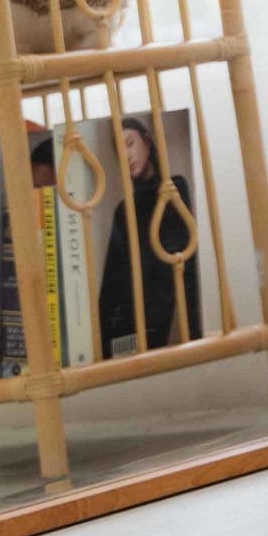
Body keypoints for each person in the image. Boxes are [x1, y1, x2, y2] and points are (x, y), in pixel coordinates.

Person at [96, 115, 201, 357]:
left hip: (166, 322)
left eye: (130, 144)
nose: (127, 156)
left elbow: (189, 268)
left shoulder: (176, 189)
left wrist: (193, 330)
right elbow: (110, 290)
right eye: (119, 152)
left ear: (147, 141)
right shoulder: (124, 210)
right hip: (130, 327)